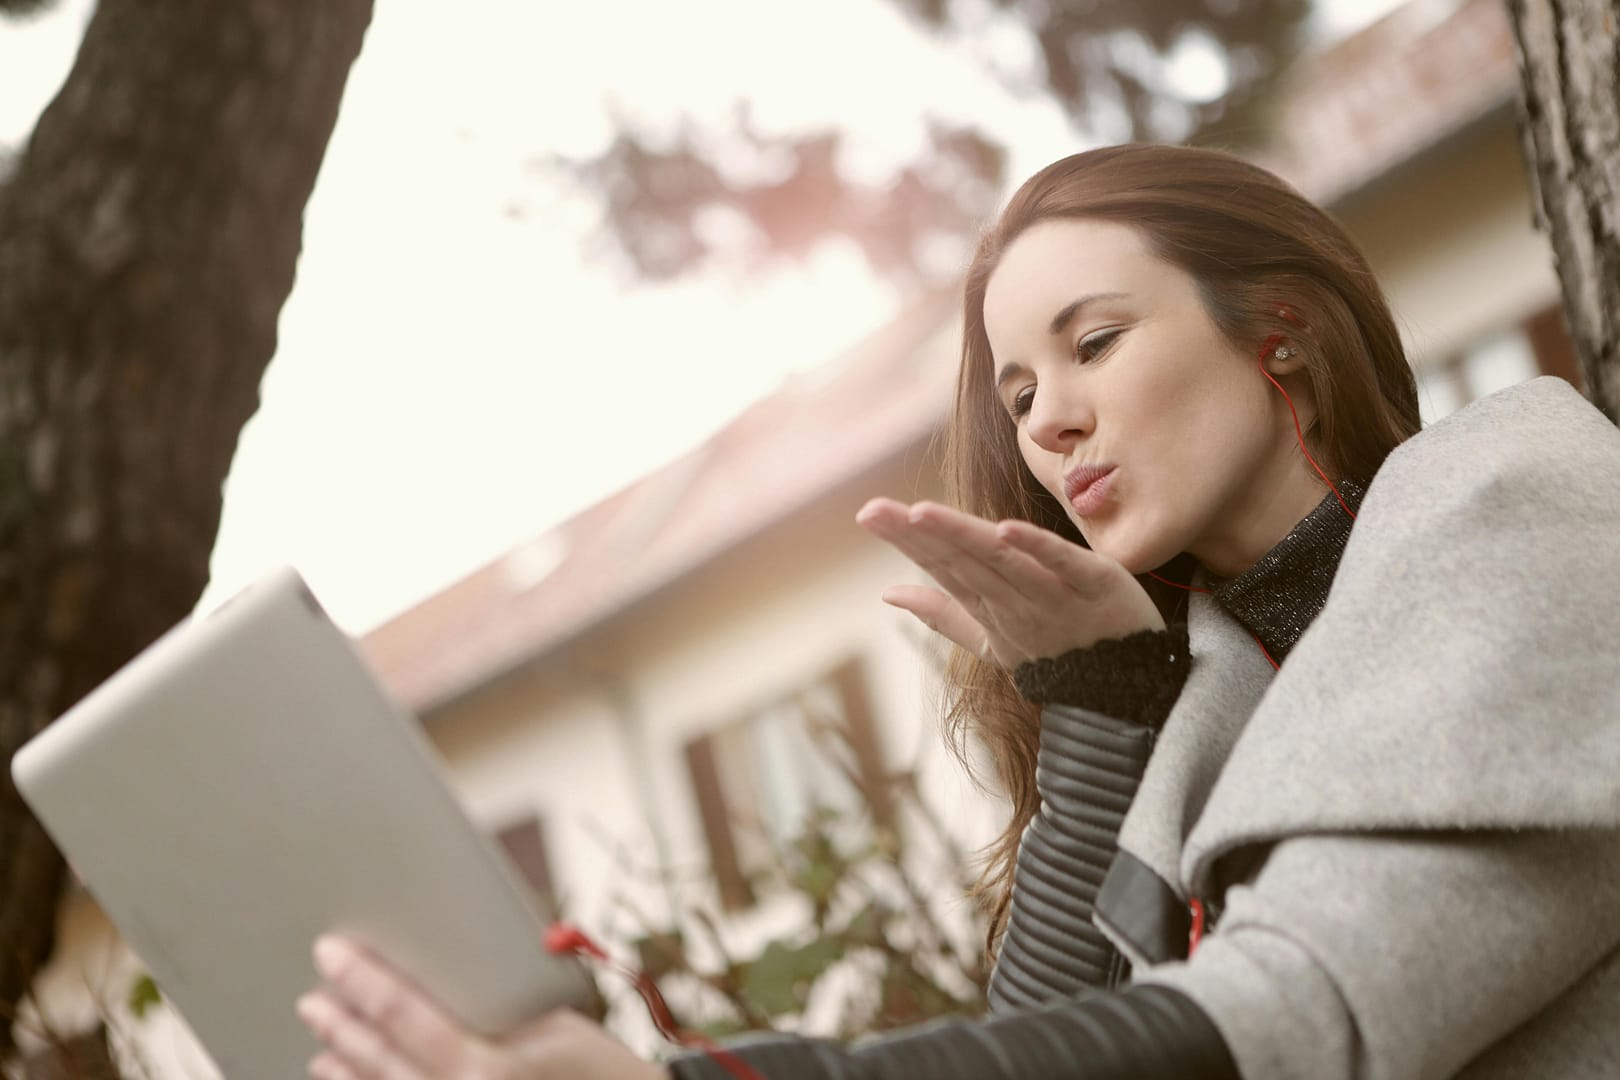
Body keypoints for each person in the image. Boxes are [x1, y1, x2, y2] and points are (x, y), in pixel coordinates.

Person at [295, 144, 1620, 1079]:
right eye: (1019, 386)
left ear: (1277, 328)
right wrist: (1101, 715)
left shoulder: (1510, 494)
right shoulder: (1201, 688)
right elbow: (1054, 1025)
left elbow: (1295, 1012)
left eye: (1093, 343)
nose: (1048, 418)